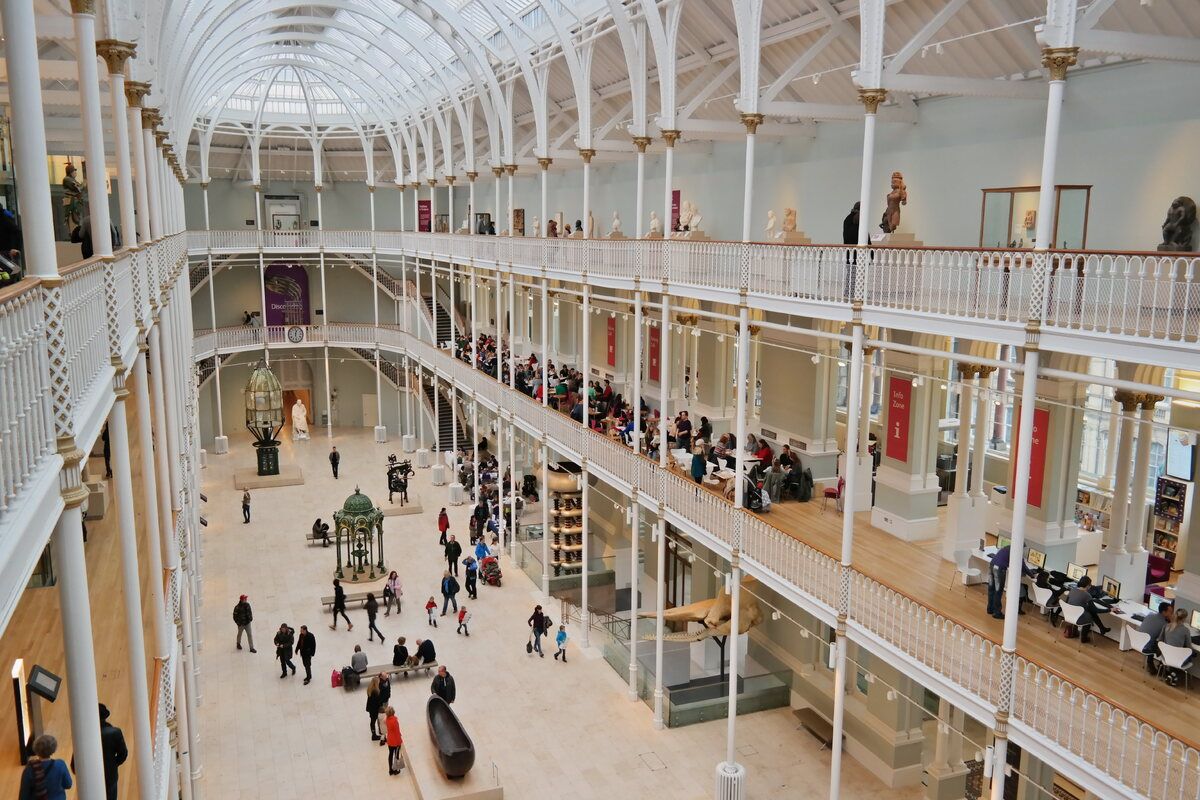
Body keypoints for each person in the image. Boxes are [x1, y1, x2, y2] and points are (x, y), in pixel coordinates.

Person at [986, 544, 1034, 619]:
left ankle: (990, 609)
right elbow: (1023, 566)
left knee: (991, 589)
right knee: (998, 591)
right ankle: (997, 613)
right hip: (999, 570)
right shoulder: (1017, 551)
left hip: (992, 565)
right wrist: (1032, 575)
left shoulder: (1007, 547)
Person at [19, 734, 71, 800]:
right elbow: (68, 785)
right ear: (53, 749)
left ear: (36, 749)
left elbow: (24, 795)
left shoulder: (30, 769)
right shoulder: (60, 764)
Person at [97, 704, 128, 800]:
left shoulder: (84, 736)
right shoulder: (115, 732)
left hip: (91, 777)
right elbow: (123, 754)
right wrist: (113, 764)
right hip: (110, 775)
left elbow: (74, 764)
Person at [1066, 576, 1111, 642]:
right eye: (1090, 584)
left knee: (1089, 609)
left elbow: (1067, 602)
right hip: (1078, 618)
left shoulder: (1072, 590)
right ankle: (1084, 638)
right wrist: (1109, 610)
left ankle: (1102, 628)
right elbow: (1096, 610)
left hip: (1069, 614)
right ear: (1088, 586)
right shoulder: (1086, 595)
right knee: (1091, 614)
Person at [1159, 608, 1195, 686]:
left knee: (1176, 653)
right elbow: (1189, 647)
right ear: (1184, 618)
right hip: (1177, 659)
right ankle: (1174, 674)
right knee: (1192, 655)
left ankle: (1172, 673)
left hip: (1165, 656)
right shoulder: (1186, 630)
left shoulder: (1166, 626)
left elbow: (1159, 640)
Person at [1137, 602, 1173, 673]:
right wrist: (1171, 621)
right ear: (1164, 612)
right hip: (1146, 647)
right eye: (1170, 612)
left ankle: (1151, 662)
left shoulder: (1149, 615)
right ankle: (1161, 666)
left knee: (1154, 640)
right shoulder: (1164, 624)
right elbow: (1165, 638)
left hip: (1137, 642)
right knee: (1165, 645)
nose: (1172, 614)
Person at [385, 706, 403, 775]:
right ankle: (395, 770)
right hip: (396, 741)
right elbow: (397, 732)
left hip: (390, 740)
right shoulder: (394, 721)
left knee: (390, 754)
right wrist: (399, 741)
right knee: (396, 755)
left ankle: (390, 770)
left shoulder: (387, 719)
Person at [366, 676, 385, 740]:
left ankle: (373, 734)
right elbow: (378, 702)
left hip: (371, 708)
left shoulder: (370, 689)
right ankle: (374, 736)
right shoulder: (376, 691)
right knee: (374, 721)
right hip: (375, 709)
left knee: (372, 721)